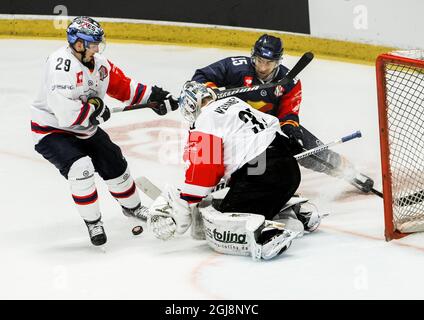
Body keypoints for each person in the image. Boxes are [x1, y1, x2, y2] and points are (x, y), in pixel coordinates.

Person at [31, 16, 178, 246]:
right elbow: (66, 113)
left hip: (85, 129)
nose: (97, 48)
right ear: (78, 44)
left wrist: (155, 97)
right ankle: (93, 222)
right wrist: (94, 110)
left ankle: (134, 208)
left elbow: (124, 87)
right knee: (81, 168)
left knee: (115, 164)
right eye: (92, 43)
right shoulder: (60, 64)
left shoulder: (100, 64)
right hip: (52, 131)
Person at [148, 81, 322, 261]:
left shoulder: (206, 119)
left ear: (190, 106)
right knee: (254, 195)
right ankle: (300, 213)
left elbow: (204, 173)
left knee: (225, 218)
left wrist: (186, 200)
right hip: (288, 169)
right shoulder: (235, 102)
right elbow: (269, 132)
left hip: (264, 174)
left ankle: (266, 236)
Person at [191, 34, 374, 193]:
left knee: (307, 148)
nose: (262, 67)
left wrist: (291, 132)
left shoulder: (289, 82)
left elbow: (288, 115)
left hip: (266, 128)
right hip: (234, 125)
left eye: (268, 63)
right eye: (259, 60)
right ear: (252, 56)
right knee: (234, 160)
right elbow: (200, 76)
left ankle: (348, 171)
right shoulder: (236, 67)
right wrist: (212, 93)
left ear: (278, 61)